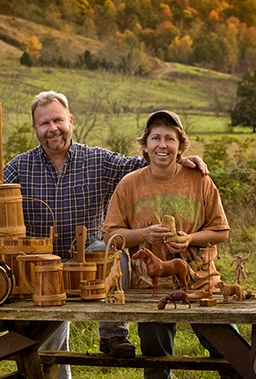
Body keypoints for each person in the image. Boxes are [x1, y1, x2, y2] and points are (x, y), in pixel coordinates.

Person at [0, 91, 209, 379]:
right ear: (35, 129)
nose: (52, 128)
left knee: (107, 247)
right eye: (44, 123)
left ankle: (112, 334)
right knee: (50, 349)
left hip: (87, 263)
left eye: (58, 120)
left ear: (70, 121)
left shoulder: (97, 160)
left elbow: (147, 166)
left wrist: (180, 159)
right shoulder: (21, 166)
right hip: (39, 269)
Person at [102, 110, 242, 379]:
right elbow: (111, 236)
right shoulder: (129, 184)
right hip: (149, 289)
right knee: (156, 364)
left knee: (231, 355)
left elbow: (221, 231)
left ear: (180, 146)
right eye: (155, 138)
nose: (162, 145)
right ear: (145, 145)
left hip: (202, 283)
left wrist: (191, 238)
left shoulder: (200, 180)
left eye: (170, 138)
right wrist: (144, 234)